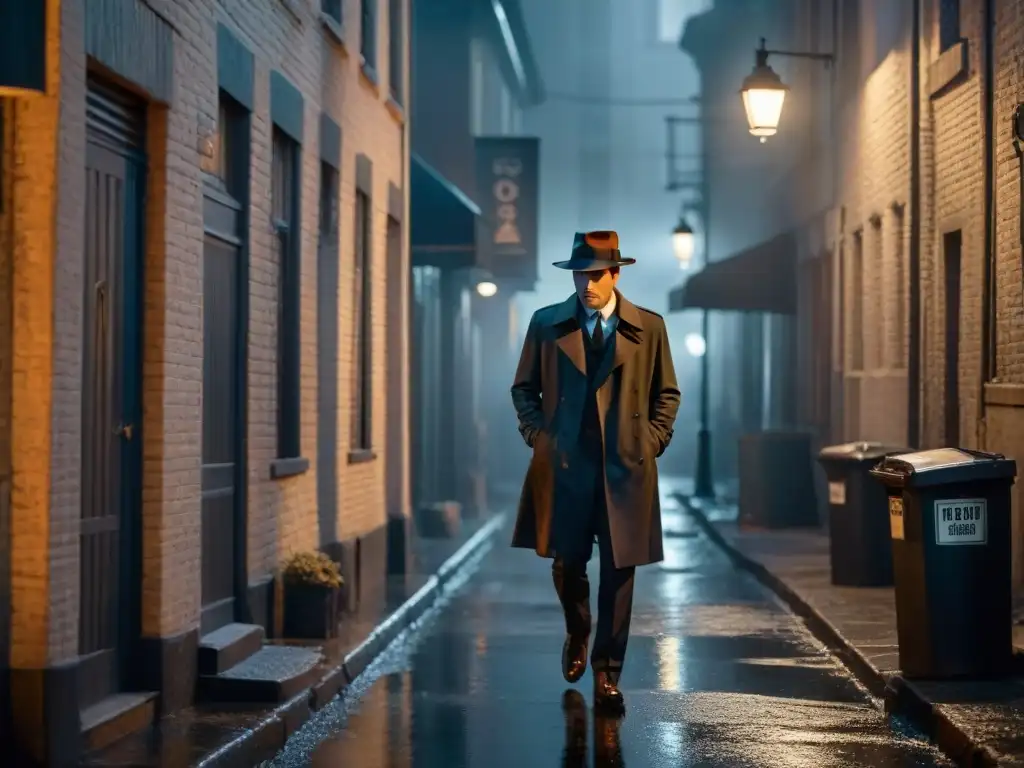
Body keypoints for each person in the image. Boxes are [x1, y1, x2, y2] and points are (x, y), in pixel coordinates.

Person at [510, 230, 681, 713]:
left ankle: (608, 673)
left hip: (625, 468)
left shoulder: (648, 327)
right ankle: (578, 630)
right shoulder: (548, 325)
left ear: (615, 275)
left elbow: (666, 394)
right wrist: (539, 437)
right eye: (580, 274)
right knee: (567, 565)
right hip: (567, 467)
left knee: (619, 572)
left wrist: (651, 441)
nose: (586, 285)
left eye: (595, 275)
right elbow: (524, 389)